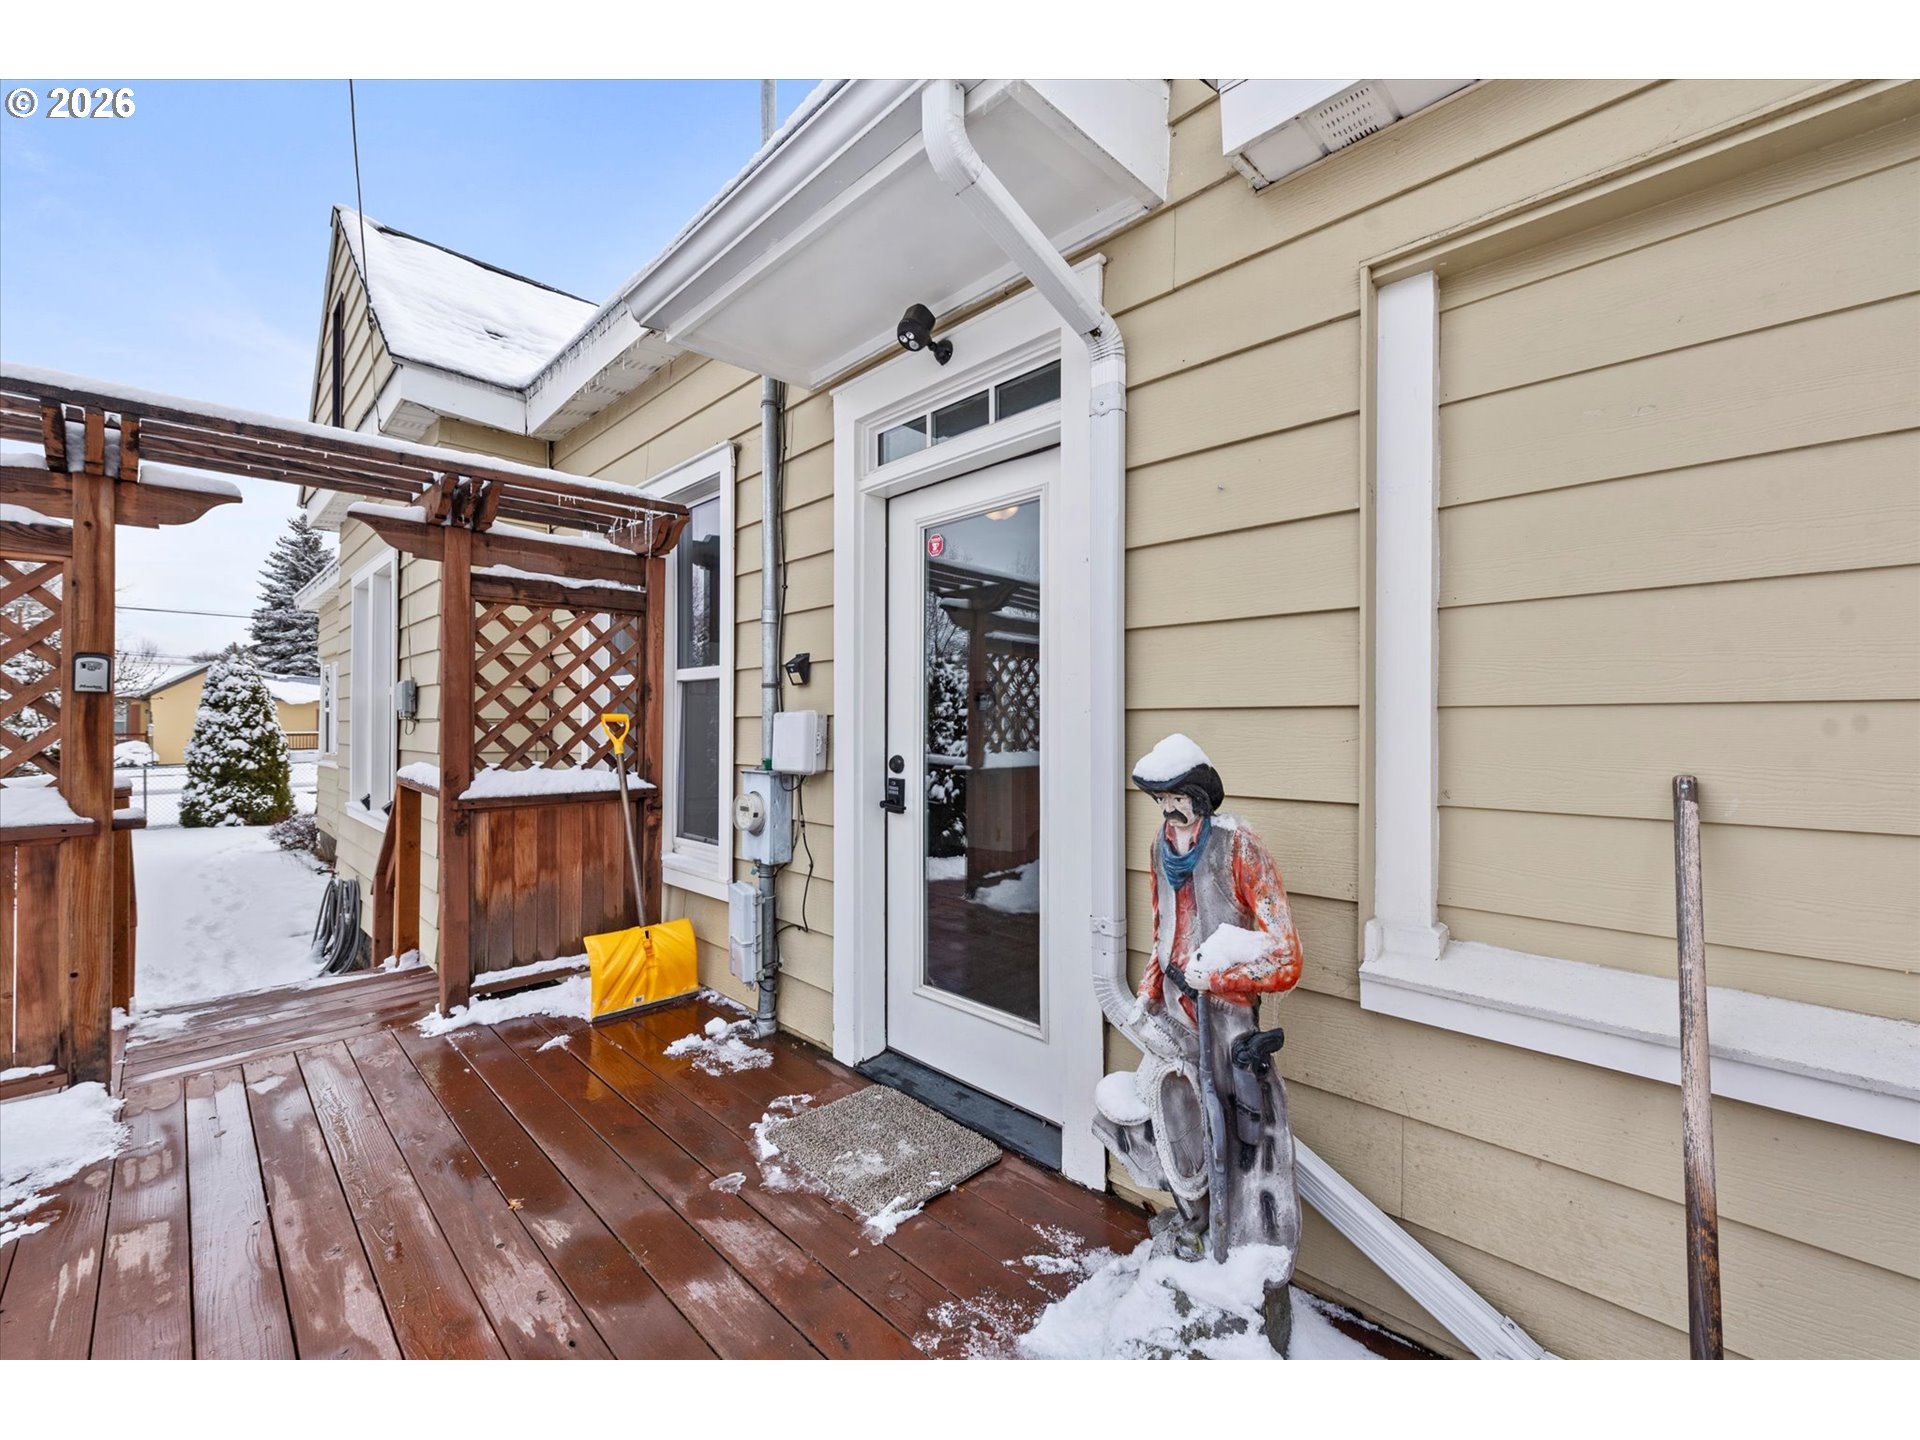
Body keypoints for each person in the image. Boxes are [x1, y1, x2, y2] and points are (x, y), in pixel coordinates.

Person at [1091, 733, 1305, 1266]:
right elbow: (1164, 933)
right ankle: (1193, 1223)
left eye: (1176, 798)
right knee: (1165, 1121)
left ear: (1200, 796)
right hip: (1172, 1019)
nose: (1168, 810)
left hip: (1226, 1025)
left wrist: (1218, 974)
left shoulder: (1240, 850)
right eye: (1159, 800)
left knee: (1232, 1137)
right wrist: (1147, 993)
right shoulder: (1159, 849)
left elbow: (1286, 956)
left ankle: (1234, 1251)